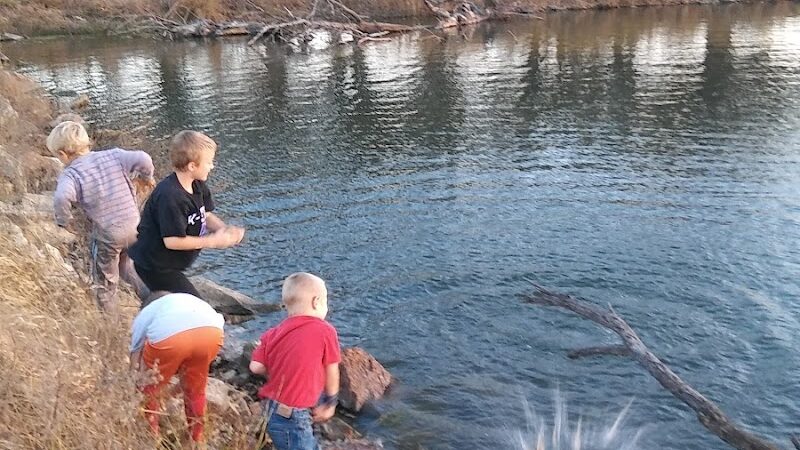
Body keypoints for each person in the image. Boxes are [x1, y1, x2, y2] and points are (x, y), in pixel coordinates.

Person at [48, 120, 153, 315]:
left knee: (105, 284)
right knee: (126, 265)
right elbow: (143, 157)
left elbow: (62, 197)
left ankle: (110, 324)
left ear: (62, 154)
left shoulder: (71, 174)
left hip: (109, 235)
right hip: (134, 227)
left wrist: (64, 221)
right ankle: (153, 298)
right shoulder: (114, 155)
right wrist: (146, 178)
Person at [128, 130, 244, 298]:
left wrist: (225, 230)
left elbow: (205, 215)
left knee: (176, 302)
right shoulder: (170, 196)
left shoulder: (197, 185)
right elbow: (172, 241)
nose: (212, 166)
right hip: (154, 266)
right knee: (195, 305)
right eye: (209, 162)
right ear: (192, 166)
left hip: (170, 264)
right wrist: (212, 241)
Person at [250, 273, 341, 450]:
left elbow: (256, 367)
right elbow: (332, 370)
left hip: (273, 409)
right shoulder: (325, 331)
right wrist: (331, 403)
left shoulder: (272, 333)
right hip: (296, 413)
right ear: (316, 302)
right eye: (326, 301)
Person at [129, 292, 224, 445]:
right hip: (212, 332)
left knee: (149, 390)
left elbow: (135, 356)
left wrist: (135, 386)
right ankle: (196, 440)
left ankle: (151, 439)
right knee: (196, 392)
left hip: (170, 338)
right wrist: (173, 391)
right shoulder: (183, 300)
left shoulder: (145, 314)